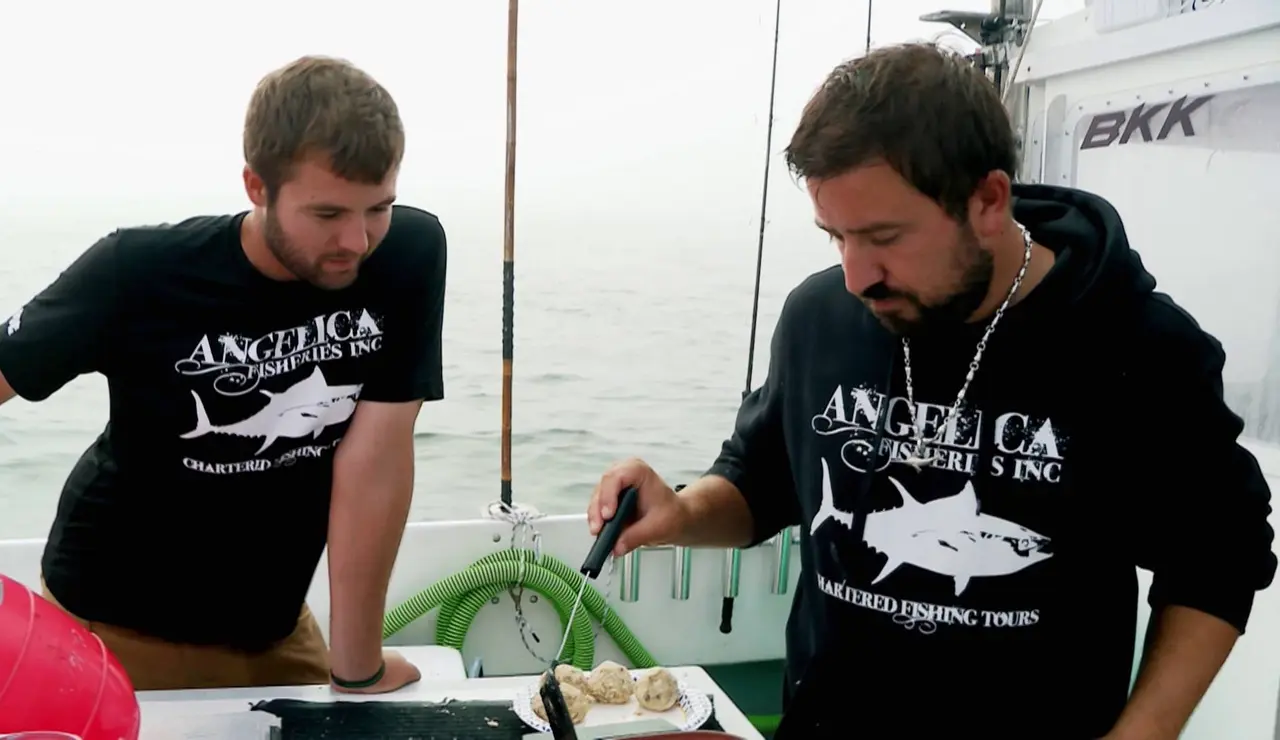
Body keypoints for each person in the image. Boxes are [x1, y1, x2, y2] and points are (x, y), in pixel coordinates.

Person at [588, 43, 1276, 738]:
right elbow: (760, 483)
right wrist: (679, 512)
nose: (859, 277)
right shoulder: (819, 317)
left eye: (884, 236)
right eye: (837, 237)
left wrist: (1143, 732)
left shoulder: (1141, 346)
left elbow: (1220, 558)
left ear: (987, 200)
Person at [0, 55, 445, 694]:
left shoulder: (408, 255)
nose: (357, 240)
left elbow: (373, 457)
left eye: (378, 208)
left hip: (274, 628)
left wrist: (357, 668)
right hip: (114, 624)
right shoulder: (137, 271)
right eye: (327, 215)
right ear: (256, 186)